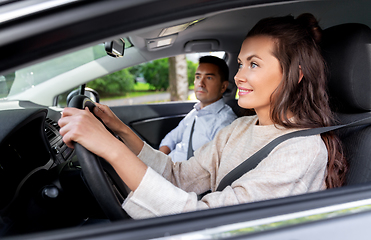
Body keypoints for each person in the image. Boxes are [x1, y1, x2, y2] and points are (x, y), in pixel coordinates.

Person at [59, 13, 347, 219]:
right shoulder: (241, 127)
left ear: (296, 74)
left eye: (254, 65)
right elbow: (178, 176)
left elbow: (209, 221)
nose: (238, 76)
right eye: (241, 63)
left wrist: (109, 149)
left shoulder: (302, 151)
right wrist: (120, 131)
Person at [159, 56, 237, 162]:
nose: (200, 83)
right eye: (198, 77)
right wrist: (159, 161)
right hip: (167, 167)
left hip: (182, 175)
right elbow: (171, 138)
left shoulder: (225, 122)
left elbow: (212, 167)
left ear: (223, 87)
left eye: (209, 78)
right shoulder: (195, 112)